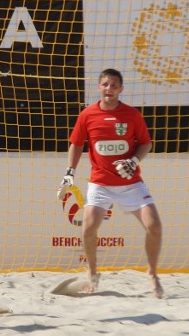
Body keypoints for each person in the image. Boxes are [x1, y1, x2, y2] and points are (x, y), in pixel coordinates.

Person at [60, 68, 164, 298]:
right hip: (101, 184)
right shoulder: (87, 115)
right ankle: (93, 273)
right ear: (99, 87)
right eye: (105, 84)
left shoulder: (132, 115)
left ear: (121, 89)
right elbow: (76, 145)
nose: (109, 89)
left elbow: (146, 143)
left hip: (131, 183)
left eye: (114, 85)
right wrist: (70, 173)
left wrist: (134, 160)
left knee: (155, 227)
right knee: (88, 228)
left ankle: (153, 273)